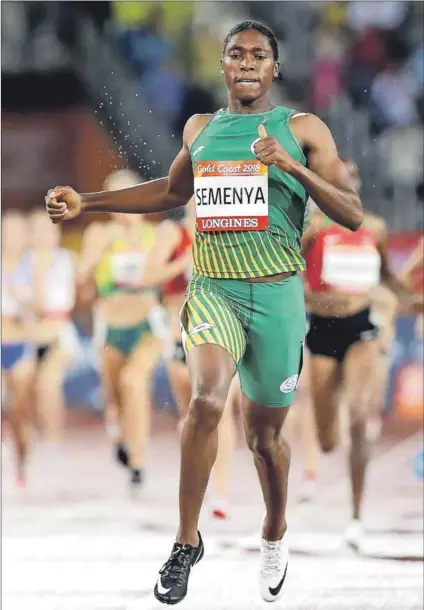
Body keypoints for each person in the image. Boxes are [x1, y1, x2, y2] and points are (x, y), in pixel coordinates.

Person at [45, 20, 364, 605]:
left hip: (277, 296)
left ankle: (274, 532)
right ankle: (186, 541)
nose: (247, 63)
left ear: (274, 69)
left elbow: (352, 214)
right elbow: (171, 194)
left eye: (259, 55)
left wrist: (292, 167)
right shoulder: (201, 129)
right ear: (222, 66)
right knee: (207, 400)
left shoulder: (302, 129)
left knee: (264, 438)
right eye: (236, 54)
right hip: (213, 289)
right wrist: (87, 200)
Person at [303, 158, 416, 550]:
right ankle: (329, 430)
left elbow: (386, 276)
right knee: (328, 438)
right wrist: (313, 298)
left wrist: (410, 300)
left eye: (348, 180)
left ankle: (355, 514)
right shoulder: (313, 229)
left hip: (362, 327)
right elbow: (287, 272)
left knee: (357, 415)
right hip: (321, 328)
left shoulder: (375, 228)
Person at [77, 170, 190, 493]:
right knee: (114, 398)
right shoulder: (99, 233)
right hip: (110, 325)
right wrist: (99, 256)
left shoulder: (155, 235)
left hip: (146, 324)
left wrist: (179, 268)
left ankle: (138, 463)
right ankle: (119, 433)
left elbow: (165, 282)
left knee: (134, 382)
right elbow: (82, 285)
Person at [161, 199, 237, 519]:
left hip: (221, 336)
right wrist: (184, 262)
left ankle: (220, 494)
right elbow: (149, 275)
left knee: (223, 413)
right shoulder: (172, 234)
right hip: (182, 338)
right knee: (193, 420)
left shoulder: (231, 235)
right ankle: (198, 486)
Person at [29, 210, 78, 451]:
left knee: (49, 383)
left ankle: (53, 440)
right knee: (25, 388)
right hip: (29, 332)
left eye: (47, 230)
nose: (42, 236)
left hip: (59, 332)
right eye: (37, 231)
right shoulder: (21, 261)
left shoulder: (67, 259)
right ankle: (28, 438)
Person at [1, 211, 35, 486]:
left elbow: (43, 306)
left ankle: (21, 464)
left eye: (17, 232)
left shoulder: (33, 266)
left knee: (18, 414)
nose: (12, 238)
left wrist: (23, 304)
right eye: (7, 232)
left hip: (21, 346)